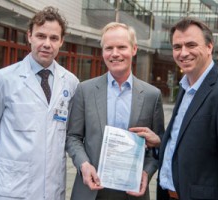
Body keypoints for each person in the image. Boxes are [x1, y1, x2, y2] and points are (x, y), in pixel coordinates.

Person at [0, 6, 79, 200]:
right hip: (13, 189)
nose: (47, 44)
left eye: (54, 38)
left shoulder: (71, 83)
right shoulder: (2, 80)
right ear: (29, 36)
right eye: (40, 36)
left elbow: (73, 133)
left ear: (61, 41)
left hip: (52, 189)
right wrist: (6, 163)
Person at [66, 22, 164, 200]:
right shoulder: (85, 90)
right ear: (102, 51)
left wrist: (146, 173)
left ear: (134, 49)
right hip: (90, 190)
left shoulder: (152, 95)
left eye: (121, 47)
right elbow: (73, 136)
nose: (115, 54)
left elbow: (157, 146)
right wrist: (83, 164)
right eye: (109, 48)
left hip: (132, 193)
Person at [157, 17, 218, 200]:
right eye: (177, 47)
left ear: (209, 47)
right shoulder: (186, 88)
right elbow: (190, 139)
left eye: (191, 45)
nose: (183, 53)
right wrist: (162, 141)